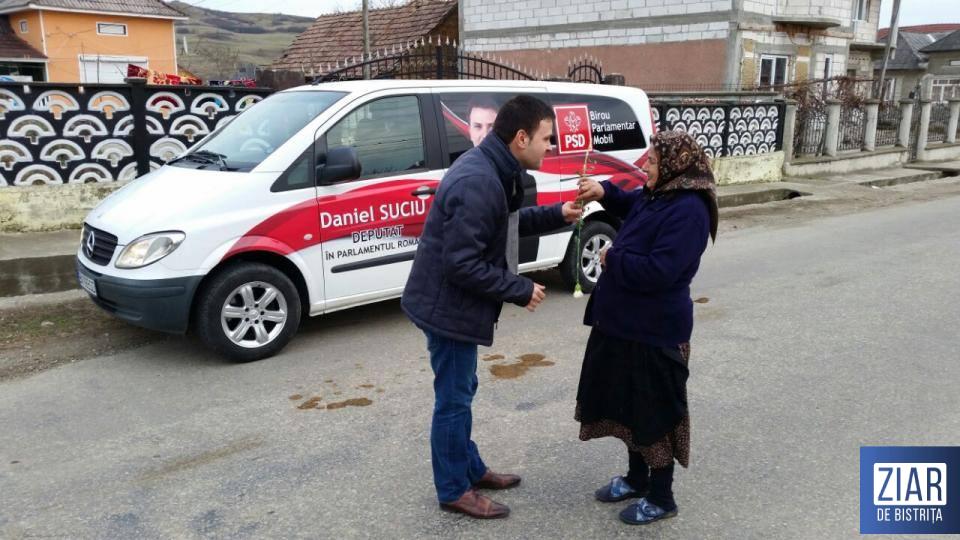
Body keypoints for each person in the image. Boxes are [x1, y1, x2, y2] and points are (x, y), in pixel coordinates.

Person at [402, 95, 582, 519]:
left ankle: (470, 468)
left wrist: (559, 213)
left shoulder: (497, 168)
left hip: (453, 303)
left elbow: (506, 225)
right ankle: (454, 489)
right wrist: (518, 288)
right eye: (546, 138)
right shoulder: (480, 180)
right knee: (453, 401)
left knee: (462, 391)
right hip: (448, 308)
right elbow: (461, 263)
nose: (550, 147)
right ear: (521, 138)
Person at [573, 130, 718, 526]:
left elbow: (661, 271)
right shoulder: (660, 194)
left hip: (655, 332)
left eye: (652, 161)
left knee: (653, 414)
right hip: (624, 325)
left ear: (674, 165)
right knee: (628, 407)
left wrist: (613, 259)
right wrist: (604, 190)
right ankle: (637, 479)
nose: (645, 167)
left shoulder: (689, 210)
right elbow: (633, 203)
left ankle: (661, 496)